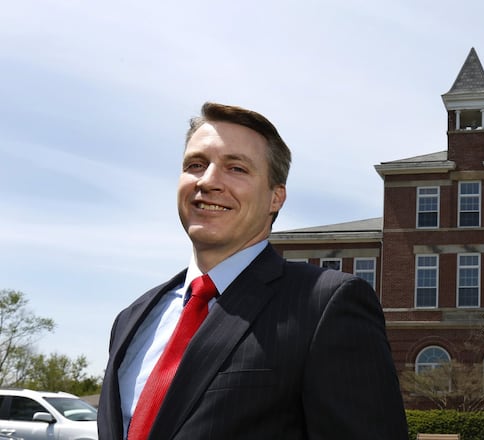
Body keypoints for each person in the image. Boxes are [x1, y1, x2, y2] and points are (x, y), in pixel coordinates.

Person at [97, 102, 408, 439]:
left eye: (237, 168)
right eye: (196, 164)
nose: (208, 181)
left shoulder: (325, 306)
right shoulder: (133, 318)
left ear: (276, 198)